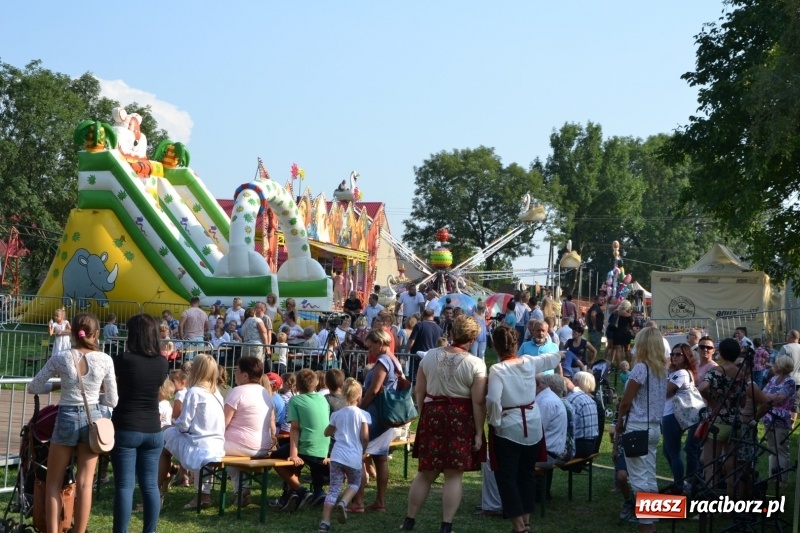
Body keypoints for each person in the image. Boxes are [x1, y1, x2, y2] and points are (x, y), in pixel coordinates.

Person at [28, 313, 118, 533]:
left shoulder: (62, 357)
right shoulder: (105, 359)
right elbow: (112, 400)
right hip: (93, 420)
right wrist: (97, 391)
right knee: (86, 484)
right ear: (96, 334)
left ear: (73, 331)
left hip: (66, 416)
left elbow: (34, 386)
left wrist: (58, 387)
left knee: (53, 483)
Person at [400, 316, 486, 533]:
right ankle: (446, 526)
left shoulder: (429, 356)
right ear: (473, 338)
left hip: (433, 414)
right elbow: (477, 401)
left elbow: (419, 390)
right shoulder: (476, 363)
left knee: (426, 473)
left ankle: (409, 520)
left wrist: (425, 412)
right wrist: (478, 431)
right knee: (453, 474)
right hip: (460, 418)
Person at [487, 324, 560, 533]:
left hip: (509, 427)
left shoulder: (498, 369)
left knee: (507, 477)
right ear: (516, 344)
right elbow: (551, 359)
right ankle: (525, 522)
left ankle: (519, 527)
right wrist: (561, 353)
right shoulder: (528, 362)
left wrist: (494, 421)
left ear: (495, 346)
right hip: (533, 426)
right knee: (526, 474)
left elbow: (493, 399)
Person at [110, 313, 169, 533]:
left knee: (125, 487)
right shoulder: (162, 363)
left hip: (126, 426)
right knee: (150, 486)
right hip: (153, 430)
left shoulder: (123, 360)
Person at [613, 327, 668, 533]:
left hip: (637, 426)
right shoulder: (661, 370)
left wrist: (619, 423)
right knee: (649, 476)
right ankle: (652, 521)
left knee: (639, 479)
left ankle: (647, 525)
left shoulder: (640, 368)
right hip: (654, 426)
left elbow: (626, 402)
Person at [697, 338, 768, 495]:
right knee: (732, 468)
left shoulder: (716, 371)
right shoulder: (741, 374)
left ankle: (709, 511)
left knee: (711, 467)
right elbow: (742, 403)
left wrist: (712, 401)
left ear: (720, 352)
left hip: (717, 423)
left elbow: (702, 388)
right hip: (735, 423)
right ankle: (730, 507)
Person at [349, 329, 404, 513]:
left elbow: (373, 390)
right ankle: (380, 502)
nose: (369, 349)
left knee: (357, 455)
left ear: (380, 343)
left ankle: (358, 502)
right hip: (387, 417)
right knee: (380, 458)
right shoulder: (395, 360)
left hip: (375, 416)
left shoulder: (382, 362)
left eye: (371, 345)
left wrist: (359, 409)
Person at [161, 354, 225, 509]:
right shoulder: (216, 393)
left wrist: (172, 424)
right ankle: (204, 495)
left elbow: (183, 424)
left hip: (199, 447)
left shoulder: (195, 391)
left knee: (163, 436)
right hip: (217, 446)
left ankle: (157, 491)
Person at [270, 368, 331, 511]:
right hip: (324, 448)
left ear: (296, 386)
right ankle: (317, 491)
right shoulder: (323, 399)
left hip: (307, 447)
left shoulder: (295, 400)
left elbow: (295, 428)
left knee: (275, 458)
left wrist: (294, 454)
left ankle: (300, 491)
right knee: (295, 460)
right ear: (316, 384)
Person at [318, 378, 370, 532]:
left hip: (337, 455)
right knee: (354, 483)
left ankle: (325, 522)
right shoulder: (363, 415)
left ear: (343, 395)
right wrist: (364, 449)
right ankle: (344, 502)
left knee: (334, 488)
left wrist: (332, 429)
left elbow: (327, 432)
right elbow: (365, 437)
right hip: (354, 455)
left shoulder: (337, 415)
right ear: (359, 397)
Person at [224, 356, 276, 506]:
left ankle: (204, 491)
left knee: (206, 446)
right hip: (262, 446)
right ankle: (242, 490)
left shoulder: (237, 391)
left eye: (237, 371)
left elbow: (223, 422)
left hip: (241, 445)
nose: (234, 374)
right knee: (232, 456)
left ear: (245, 375)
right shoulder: (265, 392)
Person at [661, 343, 700, 494]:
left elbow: (666, 391)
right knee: (667, 451)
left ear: (686, 356)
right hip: (672, 414)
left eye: (678, 354)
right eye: (673, 354)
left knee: (674, 451)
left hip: (673, 414)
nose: (674, 357)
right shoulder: (678, 372)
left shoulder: (682, 373)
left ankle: (679, 486)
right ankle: (681, 482)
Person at [759, 355, 795, 490]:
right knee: (772, 448)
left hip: (781, 419)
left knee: (782, 449)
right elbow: (762, 394)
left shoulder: (790, 382)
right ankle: (772, 477)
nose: (773, 365)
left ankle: (783, 479)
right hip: (769, 417)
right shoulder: (773, 379)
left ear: (782, 366)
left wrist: (769, 397)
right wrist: (770, 398)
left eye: (776, 363)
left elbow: (780, 398)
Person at [406, 309, 443, 383]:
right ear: (433, 316)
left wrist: (406, 352)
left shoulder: (419, 325)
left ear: (422, 315)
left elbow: (411, 341)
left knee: (414, 380)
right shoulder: (439, 329)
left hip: (417, 358)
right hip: (432, 358)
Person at [777, 330, 800, 425]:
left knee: (783, 401)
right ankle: (792, 423)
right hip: (799, 380)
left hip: (786, 379)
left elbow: (778, 362)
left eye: (787, 336)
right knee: (795, 402)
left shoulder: (785, 348)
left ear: (790, 337)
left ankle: (781, 421)